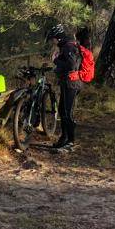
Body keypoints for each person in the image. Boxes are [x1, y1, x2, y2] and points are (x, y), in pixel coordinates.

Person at [47, 23, 83, 153]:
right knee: (62, 111)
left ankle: (71, 141)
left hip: (72, 84)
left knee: (67, 112)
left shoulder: (68, 46)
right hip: (68, 83)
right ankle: (64, 138)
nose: (53, 42)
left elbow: (71, 65)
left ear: (58, 38)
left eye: (53, 39)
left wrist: (56, 60)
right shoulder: (66, 46)